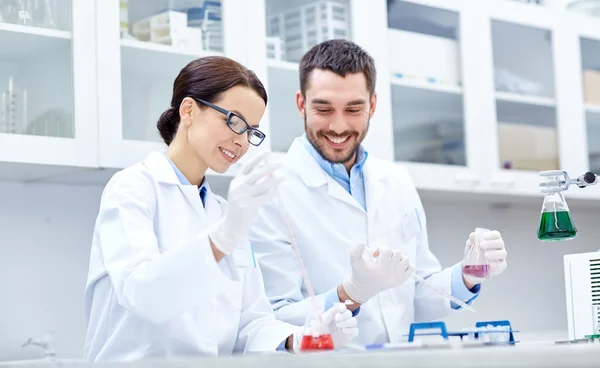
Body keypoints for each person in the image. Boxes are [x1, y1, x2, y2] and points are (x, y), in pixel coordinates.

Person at [83, 56, 358, 361]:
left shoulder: (224, 212)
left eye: (251, 130)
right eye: (234, 121)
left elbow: (250, 322)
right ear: (188, 110)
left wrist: (299, 338)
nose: (241, 141)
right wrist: (222, 239)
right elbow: (143, 295)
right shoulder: (133, 188)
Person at [249, 40, 508, 346]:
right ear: (301, 104)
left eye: (354, 109)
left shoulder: (396, 180)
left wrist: (466, 275)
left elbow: (418, 294)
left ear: (372, 105)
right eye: (323, 108)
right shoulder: (269, 189)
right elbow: (276, 318)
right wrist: (352, 293)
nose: (338, 125)